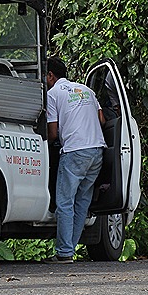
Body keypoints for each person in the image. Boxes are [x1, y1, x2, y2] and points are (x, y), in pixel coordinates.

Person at [43, 56, 107, 264]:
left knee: (64, 203)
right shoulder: (86, 90)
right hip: (97, 150)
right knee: (82, 202)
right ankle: (68, 250)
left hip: (75, 151)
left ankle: (64, 252)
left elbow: (52, 133)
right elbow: (102, 120)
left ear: (50, 75)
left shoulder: (53, 94)